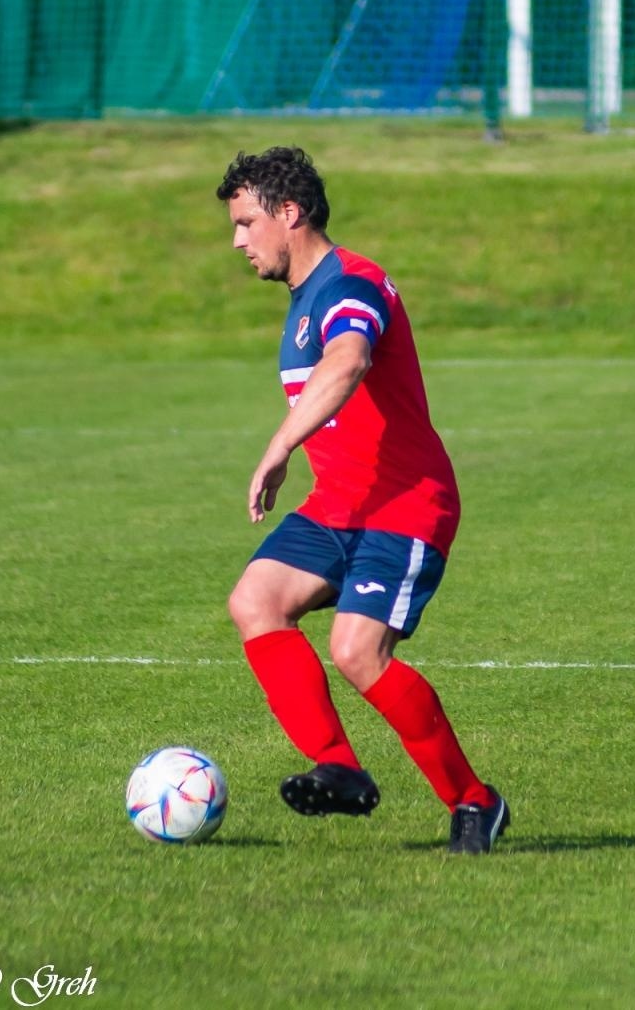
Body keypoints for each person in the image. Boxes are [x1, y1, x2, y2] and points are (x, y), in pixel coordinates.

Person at [218, 146, 509, 853]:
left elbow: (347, 362)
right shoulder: (301, 302)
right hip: (341, 502)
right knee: (255, 601)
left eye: (246, 222)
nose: (237, 241)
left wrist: (279, 445)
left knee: (356, 650)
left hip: (408, 503)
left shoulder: (356, 281)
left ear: (290, 214)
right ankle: (340, 768)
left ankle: (475, 802)